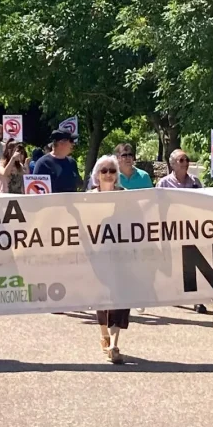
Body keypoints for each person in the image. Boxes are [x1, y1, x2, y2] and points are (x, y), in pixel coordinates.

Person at [89, 155, 130, 364]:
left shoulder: (126, 197)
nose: (108, 174)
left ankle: (114, 343)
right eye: (104, 170)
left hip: (122, 256)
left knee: (120, 297)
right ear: (97, 175)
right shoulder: (87, 198)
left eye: (112, 171)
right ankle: (104, 332)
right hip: (97, 257)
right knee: (102, 298)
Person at [156, 149, 207, 313]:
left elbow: (203, 203)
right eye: (181, 160)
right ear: (172, 164)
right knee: (177, 263)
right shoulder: (163, 184)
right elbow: (157, 207)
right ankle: (176, 293)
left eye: (187, 159)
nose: (185, 163)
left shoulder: (195, 182)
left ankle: (197, 300)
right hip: (172, 229)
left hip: (192, 228)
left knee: (194, 262)